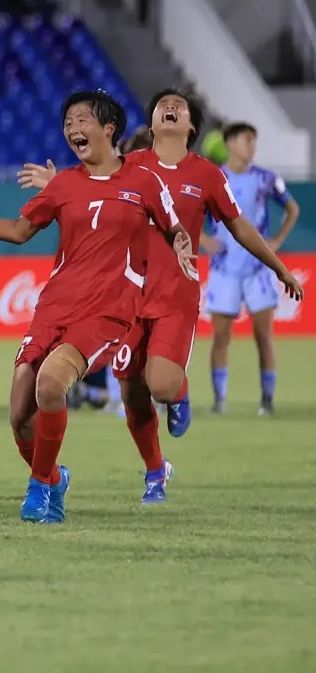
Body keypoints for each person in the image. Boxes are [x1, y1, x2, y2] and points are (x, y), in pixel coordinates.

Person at [0, 90, 193, 524]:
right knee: (20, 416)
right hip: (54, 307)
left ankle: (39, 488)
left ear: (108, 128)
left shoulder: (143, 182)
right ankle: (54, 478)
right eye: (67, 124)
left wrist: (180, 243)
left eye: (81, 120)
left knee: (50, 384)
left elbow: (175, 226)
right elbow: (20, 229)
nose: (72, 129)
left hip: (107, 312)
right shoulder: (64, 184)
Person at [19, 94, 299, 506]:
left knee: (162, 386)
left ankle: (179, 389)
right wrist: (57, 186)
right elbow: (90, 181)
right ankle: (155, 471)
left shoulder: (207, 175)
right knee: (133, 396)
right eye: (162, 103)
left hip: (175, 294)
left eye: (179, 105)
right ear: (150, 124)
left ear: (191, 126)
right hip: (124, 296)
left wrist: (278, 266)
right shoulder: (131, 166)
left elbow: (239, 227)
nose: (170, 106)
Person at [204, 122, 302, 416]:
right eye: (247, 140)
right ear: (231, 143)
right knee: (221, 337)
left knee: (264, 337)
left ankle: (267, 401)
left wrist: (277, 241)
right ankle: (219, 402)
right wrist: (202, 239)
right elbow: (188, 211)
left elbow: (292, 208)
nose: (252, 147)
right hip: (223, 269)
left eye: (253, 141)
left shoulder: (266, 178)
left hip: (257, 269)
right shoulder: (213, 177)